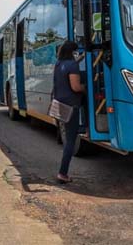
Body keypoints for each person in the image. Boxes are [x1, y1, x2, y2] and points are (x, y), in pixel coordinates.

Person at [53, 41, 85, 184]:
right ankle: (62, 173)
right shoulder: (73, 66)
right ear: (72, 52)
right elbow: (76, 87)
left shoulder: (59, 64)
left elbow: (69, 67)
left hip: (61, 105)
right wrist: (86, 88)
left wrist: (81, 58)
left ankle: (62, 172)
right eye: (76, 52)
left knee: (68, 136)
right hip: (71, 106)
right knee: (70, 142)